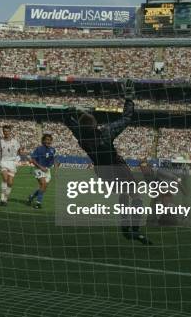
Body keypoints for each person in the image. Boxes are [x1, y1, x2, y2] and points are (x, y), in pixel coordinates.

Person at [63, 79, 152, 245]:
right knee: (136, 195)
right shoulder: (105, 133)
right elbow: (127, 118)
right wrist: (129, 99)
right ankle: (134, 227)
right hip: (116, 165)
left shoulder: (81, 136)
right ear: (95, 123)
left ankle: (126, 226)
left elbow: (68, 121)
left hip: (102, 170)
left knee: (123, 193)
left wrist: (69, 113)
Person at [27, 133, 57, 209]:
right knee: (43, 184)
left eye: (49, 140)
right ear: (43, 140)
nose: (48, 141)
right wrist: (41, 167)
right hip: (38, 169)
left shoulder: (53, 150)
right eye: (46, 140)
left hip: (47, 170)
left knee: (43, 188)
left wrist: (56, 171)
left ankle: (31, 197)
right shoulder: (39, 149)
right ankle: (38, 203)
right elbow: (33, 159)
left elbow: (54, 160)